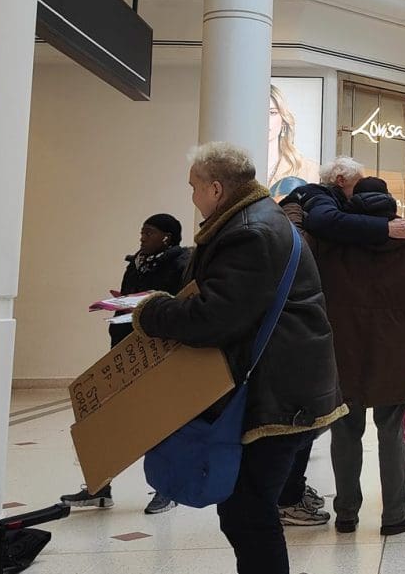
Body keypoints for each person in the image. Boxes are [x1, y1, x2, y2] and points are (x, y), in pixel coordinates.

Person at [132, 142, 346, 573]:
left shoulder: (250, 232)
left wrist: (151, 310)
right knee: (247, 509)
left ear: (215, 188)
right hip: (289, 385)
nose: (191, 196)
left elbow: (215, 317)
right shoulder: (258, 221)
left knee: (248, 511)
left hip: (279, 393)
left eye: (194, 186)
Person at [286, 176, 405, 536]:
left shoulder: (330, 241)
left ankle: (346, 513)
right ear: (390, 207)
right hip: (392, 349)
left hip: (342, 351)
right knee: (391, 433)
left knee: (345, 432)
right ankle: (395, 514)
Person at [60, 214, 190, 514]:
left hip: (153, 352)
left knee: (158, 424)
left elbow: (176, 303)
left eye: (149, 232)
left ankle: (166, 490)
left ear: (168, 237)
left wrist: (145, 303)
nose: (142, 237)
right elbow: (133, 297)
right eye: (142, 231)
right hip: (123, 347)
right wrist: (122, 302)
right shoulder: (136, 263)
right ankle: (98, 488)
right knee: (105, 420)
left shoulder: (180, 264)